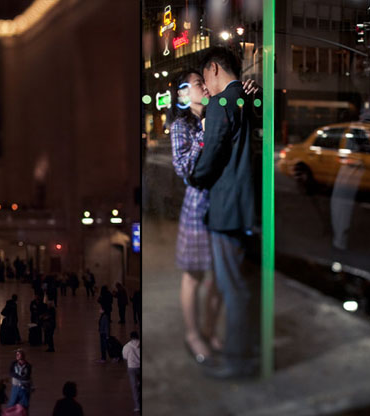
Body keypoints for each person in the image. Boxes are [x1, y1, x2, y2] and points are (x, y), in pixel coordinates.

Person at [189, 47, 258, 379]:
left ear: (214, 69)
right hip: (244, 207)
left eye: (205, 79)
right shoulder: (244, 100)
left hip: (226, 208)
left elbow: (213, 148)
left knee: (233, 289)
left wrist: (195, 177)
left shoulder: (220, 104)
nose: (206, 87)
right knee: (237, 284)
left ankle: (238, 360)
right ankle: (246, 350)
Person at [169, 68, 224, 364]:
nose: (203, 87)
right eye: (197, 84)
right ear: (183, 94)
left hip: (220, 204)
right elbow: (184, 171)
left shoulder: (215, 115)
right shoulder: (182, 125)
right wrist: (202, 134)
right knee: (193, 275)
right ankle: (193, 334)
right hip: (197, 206)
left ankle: (209, 329)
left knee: (217, 278)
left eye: (204, 81)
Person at [123, 332, 141, 413]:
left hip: (131, 367)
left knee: (133, 387)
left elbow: (125, 357)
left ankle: (137, 406)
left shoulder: (127, 346)